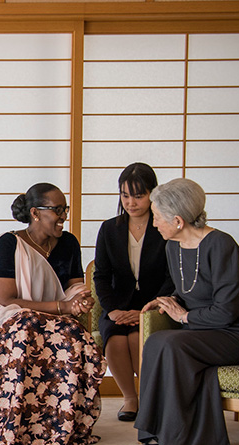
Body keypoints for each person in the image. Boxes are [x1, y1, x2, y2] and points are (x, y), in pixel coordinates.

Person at [0, 183, 105, 445]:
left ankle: (58, 425)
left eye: (65, 209)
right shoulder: (9, 243)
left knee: (74, 337)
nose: (63, 216)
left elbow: (73, 284)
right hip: (11, 317)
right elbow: (4, 300)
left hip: (56, 318)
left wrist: (81, 298)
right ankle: (14, 424)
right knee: (26, 329)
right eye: (57, 210)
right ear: (36, 213)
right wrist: (63, 307)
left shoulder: (69, 243)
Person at [135, 178, 239, 445]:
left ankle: (176, 440)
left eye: (156, 217)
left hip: (236, 334)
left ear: (178, 221)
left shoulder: (222, 245)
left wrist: (184, 317)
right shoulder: (173, 247)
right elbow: (188, 290)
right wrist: (168, 301)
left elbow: (227, 311)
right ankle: (155, 431)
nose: (154, 224)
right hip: (202, 331)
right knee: (156, 341)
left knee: (172, 345)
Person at [93, 163, 172, 422]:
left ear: (152, 194)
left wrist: (148, 309)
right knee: (115, 340)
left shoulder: (165, 228)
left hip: (155, 303)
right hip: (118, 303)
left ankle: (150, 398)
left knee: (138, 338)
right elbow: (101, 276)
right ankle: (130, 398)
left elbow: (172, 277)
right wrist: (112, 309)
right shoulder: (109, 229)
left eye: (138, 195)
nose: (131, 202)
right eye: (125, 195)